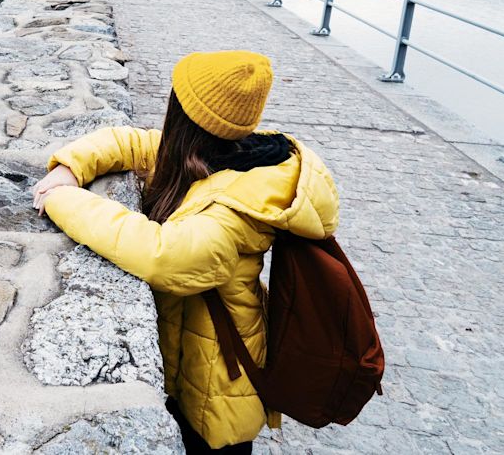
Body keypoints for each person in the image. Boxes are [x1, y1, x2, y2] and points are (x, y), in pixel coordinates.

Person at [32, 50, 339, 453]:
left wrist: (63, 199)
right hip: (191, 360)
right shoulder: (215, 156)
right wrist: (71, 166)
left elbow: (163, 256)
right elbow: (132, 143)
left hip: (220, 384)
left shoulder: (236, 209)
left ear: (187, 117)